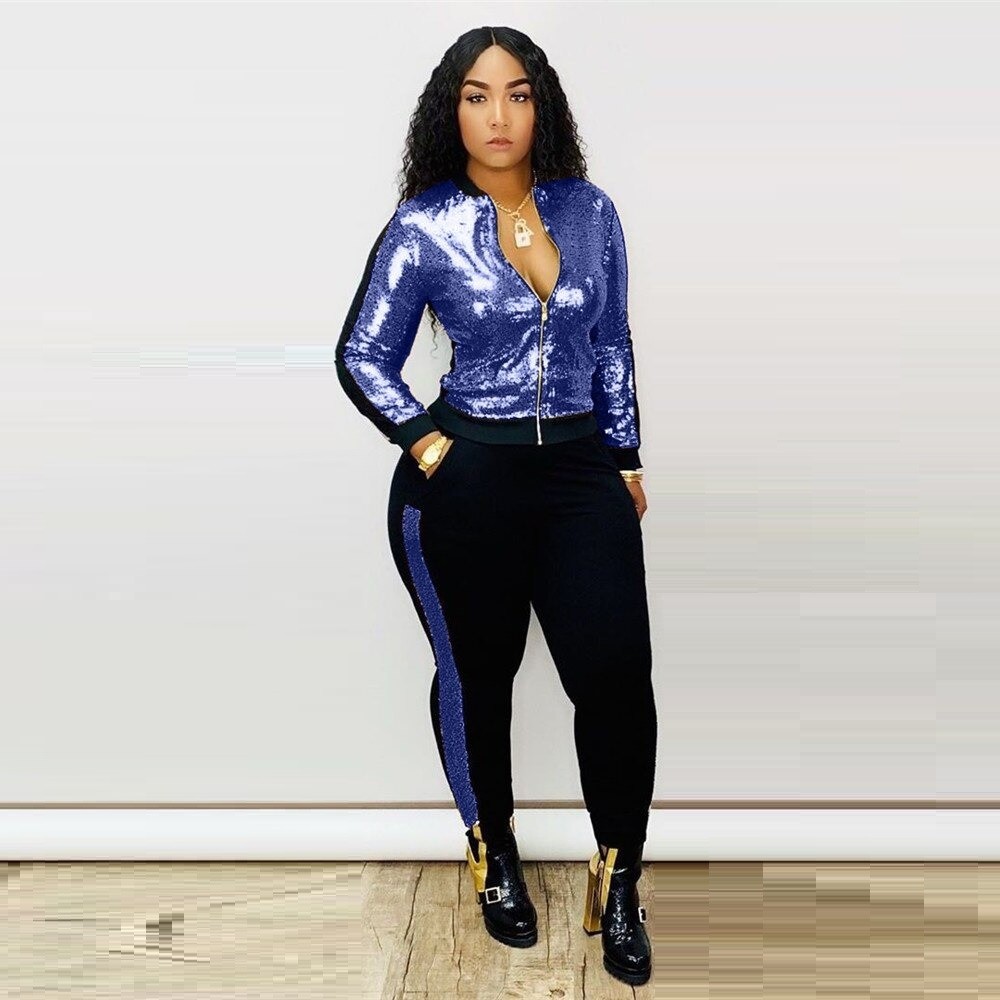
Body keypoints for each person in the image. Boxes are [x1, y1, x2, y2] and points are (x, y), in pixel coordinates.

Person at [335, 25, 656, 987]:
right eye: (477, 96)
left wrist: (625, 457)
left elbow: (612, 341)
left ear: (541, 106)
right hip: (467, 478)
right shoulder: (423, 226)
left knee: (616, 681)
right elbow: (363, 353)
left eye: (517, 94)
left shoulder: (588, 212)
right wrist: (428, 443)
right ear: (453, 112)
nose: (499, 115)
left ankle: (620, 879)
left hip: (580, 473)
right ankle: (494, 852)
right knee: (481, 676)